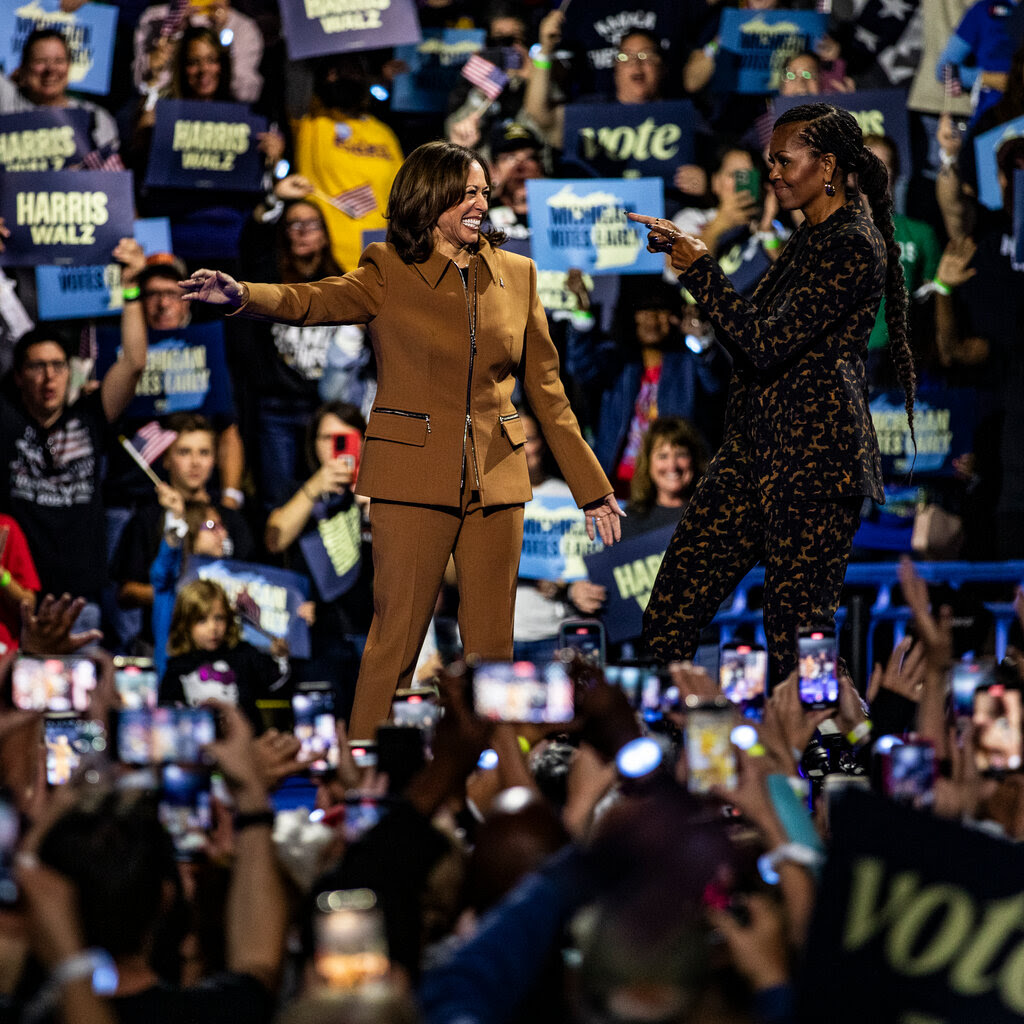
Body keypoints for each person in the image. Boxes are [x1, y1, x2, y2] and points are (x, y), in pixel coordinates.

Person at [180, 139, 620, 739]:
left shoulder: (517, 274)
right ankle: (364, 763)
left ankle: (495, 772)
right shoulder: (387, 268)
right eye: (466, 192)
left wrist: (592, 489)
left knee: (493, 643)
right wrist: (243, 296)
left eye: (483, 192)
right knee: (397, 638)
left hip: (497, 474)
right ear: (430, 197)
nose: (479, 203)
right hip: (412, 475)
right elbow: (310, 301)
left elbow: (548, 390)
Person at [628, 102, 916, 686]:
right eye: (770, 162)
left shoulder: (853, 244)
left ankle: (826, 759)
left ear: (828, 166)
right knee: (668, 614)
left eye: (785, 161)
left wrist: (700, 268)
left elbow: (765, 343)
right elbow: (746, 337)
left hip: (815, 464)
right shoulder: (805, 239)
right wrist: (695, 259)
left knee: (796, 639)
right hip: (753, 455)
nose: (774, 174)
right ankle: (685, 752)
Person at [160, 578, 287, 732]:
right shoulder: (178, 667)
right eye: (202, 620)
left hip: (246, 748)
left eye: (219, 618)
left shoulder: (243, 653)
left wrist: (280, 657)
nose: (213, 627)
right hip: (202, 749)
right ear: (185, 624)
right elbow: (168, 716)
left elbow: (276, 685)